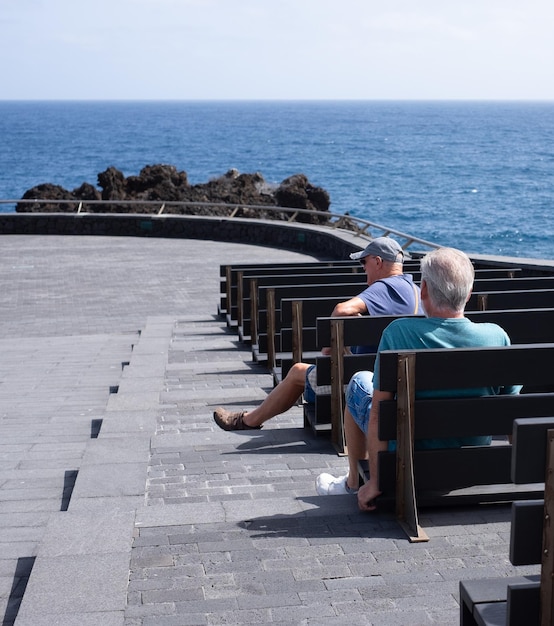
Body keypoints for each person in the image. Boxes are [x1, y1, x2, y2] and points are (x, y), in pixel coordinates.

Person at [315, 247, 522, 511]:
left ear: (422, 290)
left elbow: (379, 412)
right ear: (468, 293)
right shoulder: (497, 337)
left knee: (359, 382)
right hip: (471, 460)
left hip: (409, 459)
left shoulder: (399, 333)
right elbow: (510, 411)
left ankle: (355, 483)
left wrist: (377, 482)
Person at [213, 236, 422, 431]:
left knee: (297, 372)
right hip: (402, 379)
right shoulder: (416, 291)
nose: (363, 268)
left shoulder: (384, 288)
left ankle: (247, 420)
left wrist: (328, 348)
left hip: (366, 383)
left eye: (364, 262)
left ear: (378, 261)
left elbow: (342, 309)